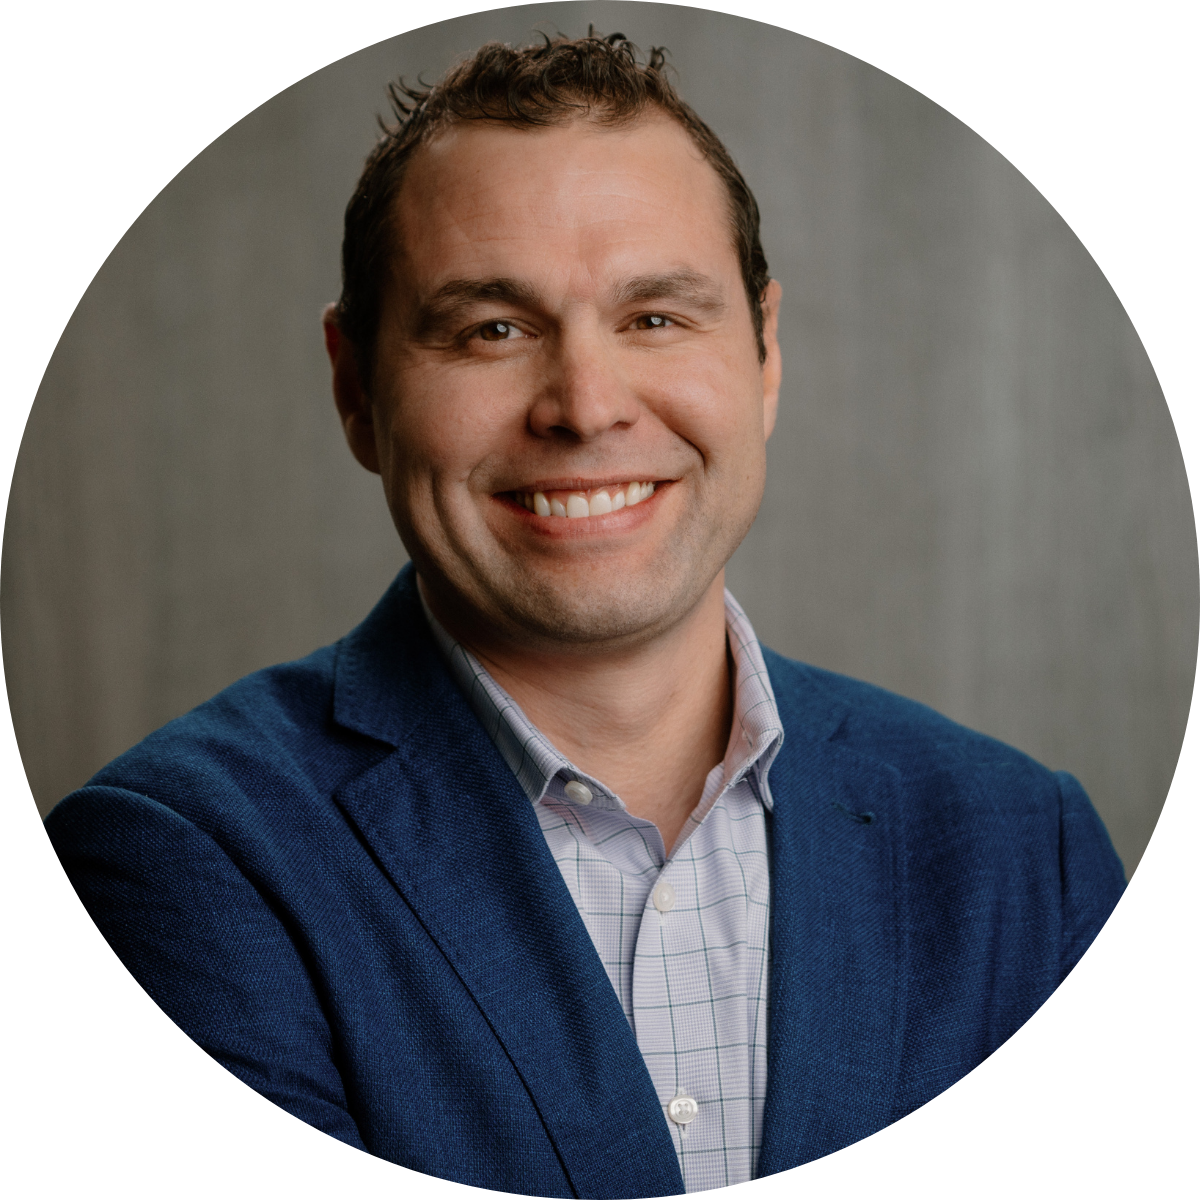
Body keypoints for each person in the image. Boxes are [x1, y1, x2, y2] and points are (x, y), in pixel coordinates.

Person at [43, 29, 1126, 1200]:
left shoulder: (1027, 848)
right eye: (491, 329)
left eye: (657, 317)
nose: (587, 405)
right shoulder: (183, 862)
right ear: (357, 389)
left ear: (764, 352)